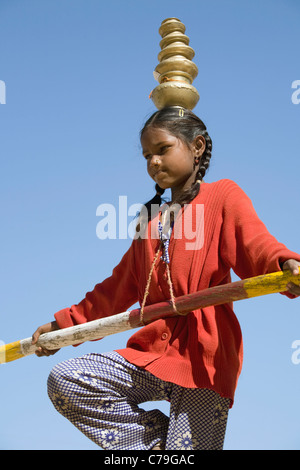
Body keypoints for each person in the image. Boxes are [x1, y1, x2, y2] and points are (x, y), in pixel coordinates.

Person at [32, 106, 300, 450]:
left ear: (197, 147)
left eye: (162, 150)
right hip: (153, 351)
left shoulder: (222, 196)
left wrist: (284, 264)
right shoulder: (150, 219)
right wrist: (62, 327)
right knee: (67, 380)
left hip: (206, 358)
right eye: (147, 156)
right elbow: (117, 286)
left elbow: (256, 244)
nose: (153, 163)